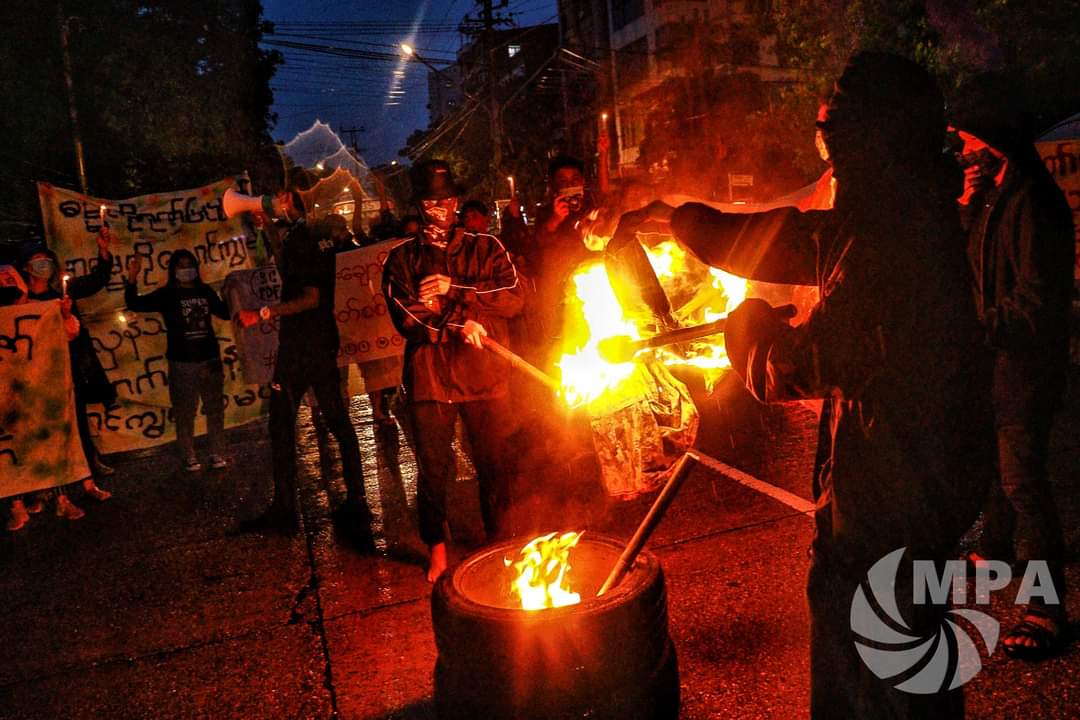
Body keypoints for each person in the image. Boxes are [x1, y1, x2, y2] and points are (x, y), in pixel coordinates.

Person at [612, 52, 993, 718]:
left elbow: (795, 366)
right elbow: (788, 238)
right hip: (897, 495)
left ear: (870, 136)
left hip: (892, 510)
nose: (827, 140)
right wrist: (673, 218)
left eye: (836, 123)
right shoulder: (893, 211)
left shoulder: (894, 239)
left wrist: (749, 322)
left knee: (886, 689)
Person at [950, 73, 1075, 660]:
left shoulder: (1035, 203)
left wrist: (978, 328)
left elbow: (1036, 301)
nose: (961, 147)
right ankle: (994, 549)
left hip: (1025, 364)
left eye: (969, 138)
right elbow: (973, 264)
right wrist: (970, 204)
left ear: (993, 139)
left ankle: (1045, 609)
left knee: (1024, 481)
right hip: (997, 361)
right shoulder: (999, 195)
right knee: (997, 466)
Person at [382, 160, 524, 581]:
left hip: (485, 375)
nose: (437, 207)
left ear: (456, 201)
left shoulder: (488, 247)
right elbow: (409, 318)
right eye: (429, 200)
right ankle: (438, 548)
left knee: (494, 463)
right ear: (419, 204)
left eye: (444, 199)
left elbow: (513, 298)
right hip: (432, 378)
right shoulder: (401, 258)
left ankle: (501, 541)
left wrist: (453, 291)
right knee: (434, 469)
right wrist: (462, 322)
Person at [237, 191, 373, 540]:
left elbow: (310, 297)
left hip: (301, 348)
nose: (270, 203)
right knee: (335, 420)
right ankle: (356, 501)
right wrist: (267, 230)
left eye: (277, 200)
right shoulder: (308, 234)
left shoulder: (305, 237)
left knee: (283, 425)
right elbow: (288, 268)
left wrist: (263, 313)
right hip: (318, 343)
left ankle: (286, 509)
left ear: (289, 204)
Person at [21, 230, 117, 506]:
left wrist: (103, 251)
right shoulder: (19, 303)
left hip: (69, 372)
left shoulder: (64, 293)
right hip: (36, 379)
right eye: (37, 261)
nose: (44, 265)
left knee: (78, 428)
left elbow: (98, 279)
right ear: (26, 268)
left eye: (46, 260)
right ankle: (43, 489)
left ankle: (88, 482)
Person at [124, 250, 230, 472]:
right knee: (184, 412)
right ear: (173, 270)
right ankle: (188, 455)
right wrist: (133, 276)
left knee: (215, 410)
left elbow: (225, 313)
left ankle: (217, 453)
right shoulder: (168, 294)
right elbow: (135, 303)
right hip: (182, 363)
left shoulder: (206, 291)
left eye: (189, 264)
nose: (185, 269)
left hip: (209, 359)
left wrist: (232, 292)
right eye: (180, 265)